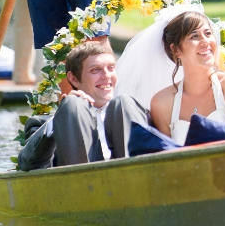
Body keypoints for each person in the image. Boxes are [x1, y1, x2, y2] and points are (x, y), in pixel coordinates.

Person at [112, 4, 225, 145]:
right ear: (176, 50)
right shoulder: (162, 103)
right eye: (195, 36)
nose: (206, 41)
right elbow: (164, 153)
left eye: (208, 33)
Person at [17, 40, 149, 170]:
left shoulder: (133, 110)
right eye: (95, 70)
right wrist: (62, 115)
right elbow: (27, 163)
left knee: (123, 102)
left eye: (111, 68)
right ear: (73, 78)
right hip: (80, 186)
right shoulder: (42, 124)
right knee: (73, 104)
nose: (106, 76)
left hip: (131, 182)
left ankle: (134, 173)